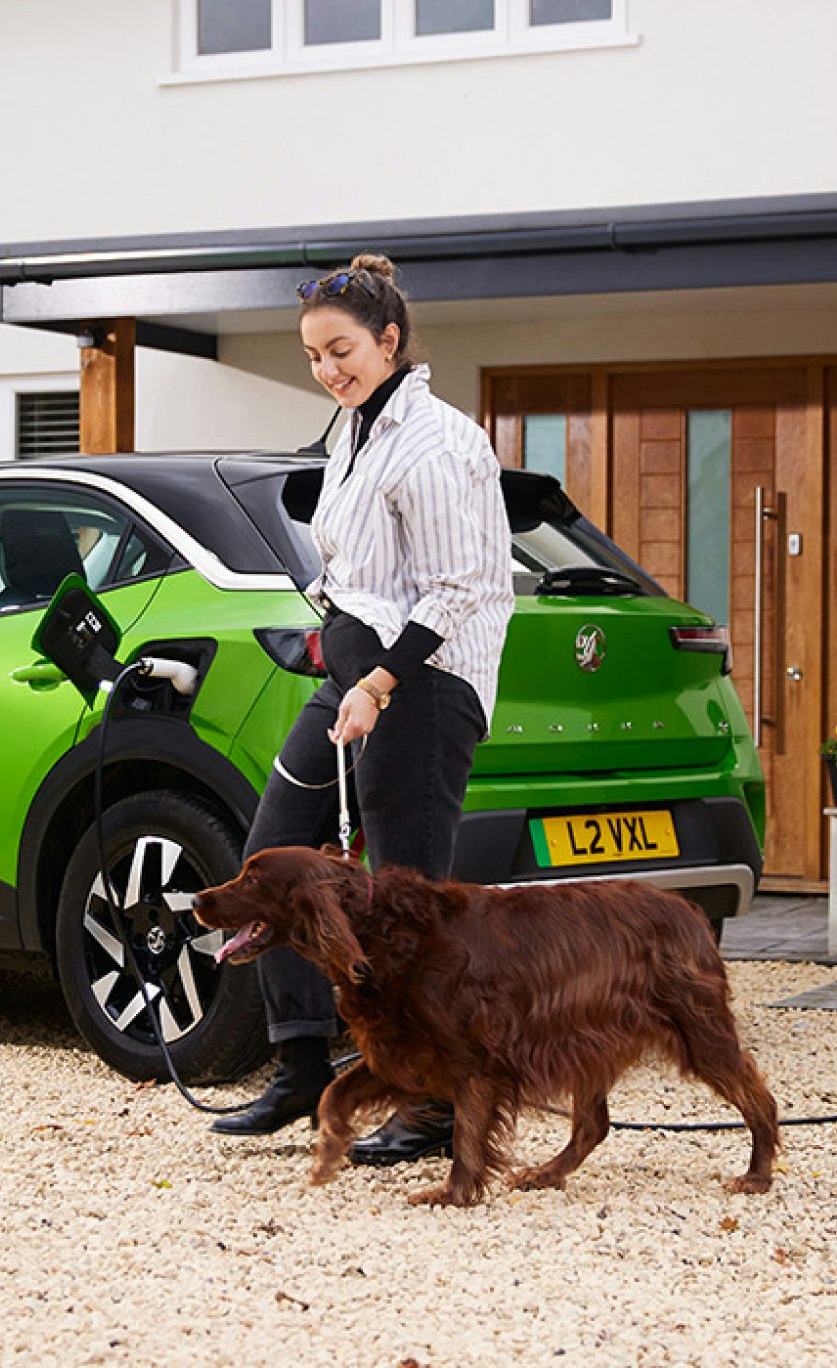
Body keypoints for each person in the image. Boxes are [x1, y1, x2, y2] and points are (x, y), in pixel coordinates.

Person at [208, 254, 515, 1167]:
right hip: (351, 681)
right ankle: (305, 1065)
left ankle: (431, 1104)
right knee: (279, 853)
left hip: (422, 689)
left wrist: (380, 682)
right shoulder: (355, 427)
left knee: (410, 904)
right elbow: (364, 567)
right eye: (312, 355)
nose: (327, 369)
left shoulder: (440, 441)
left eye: (340, 349)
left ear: (389, 341)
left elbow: (461, 585)